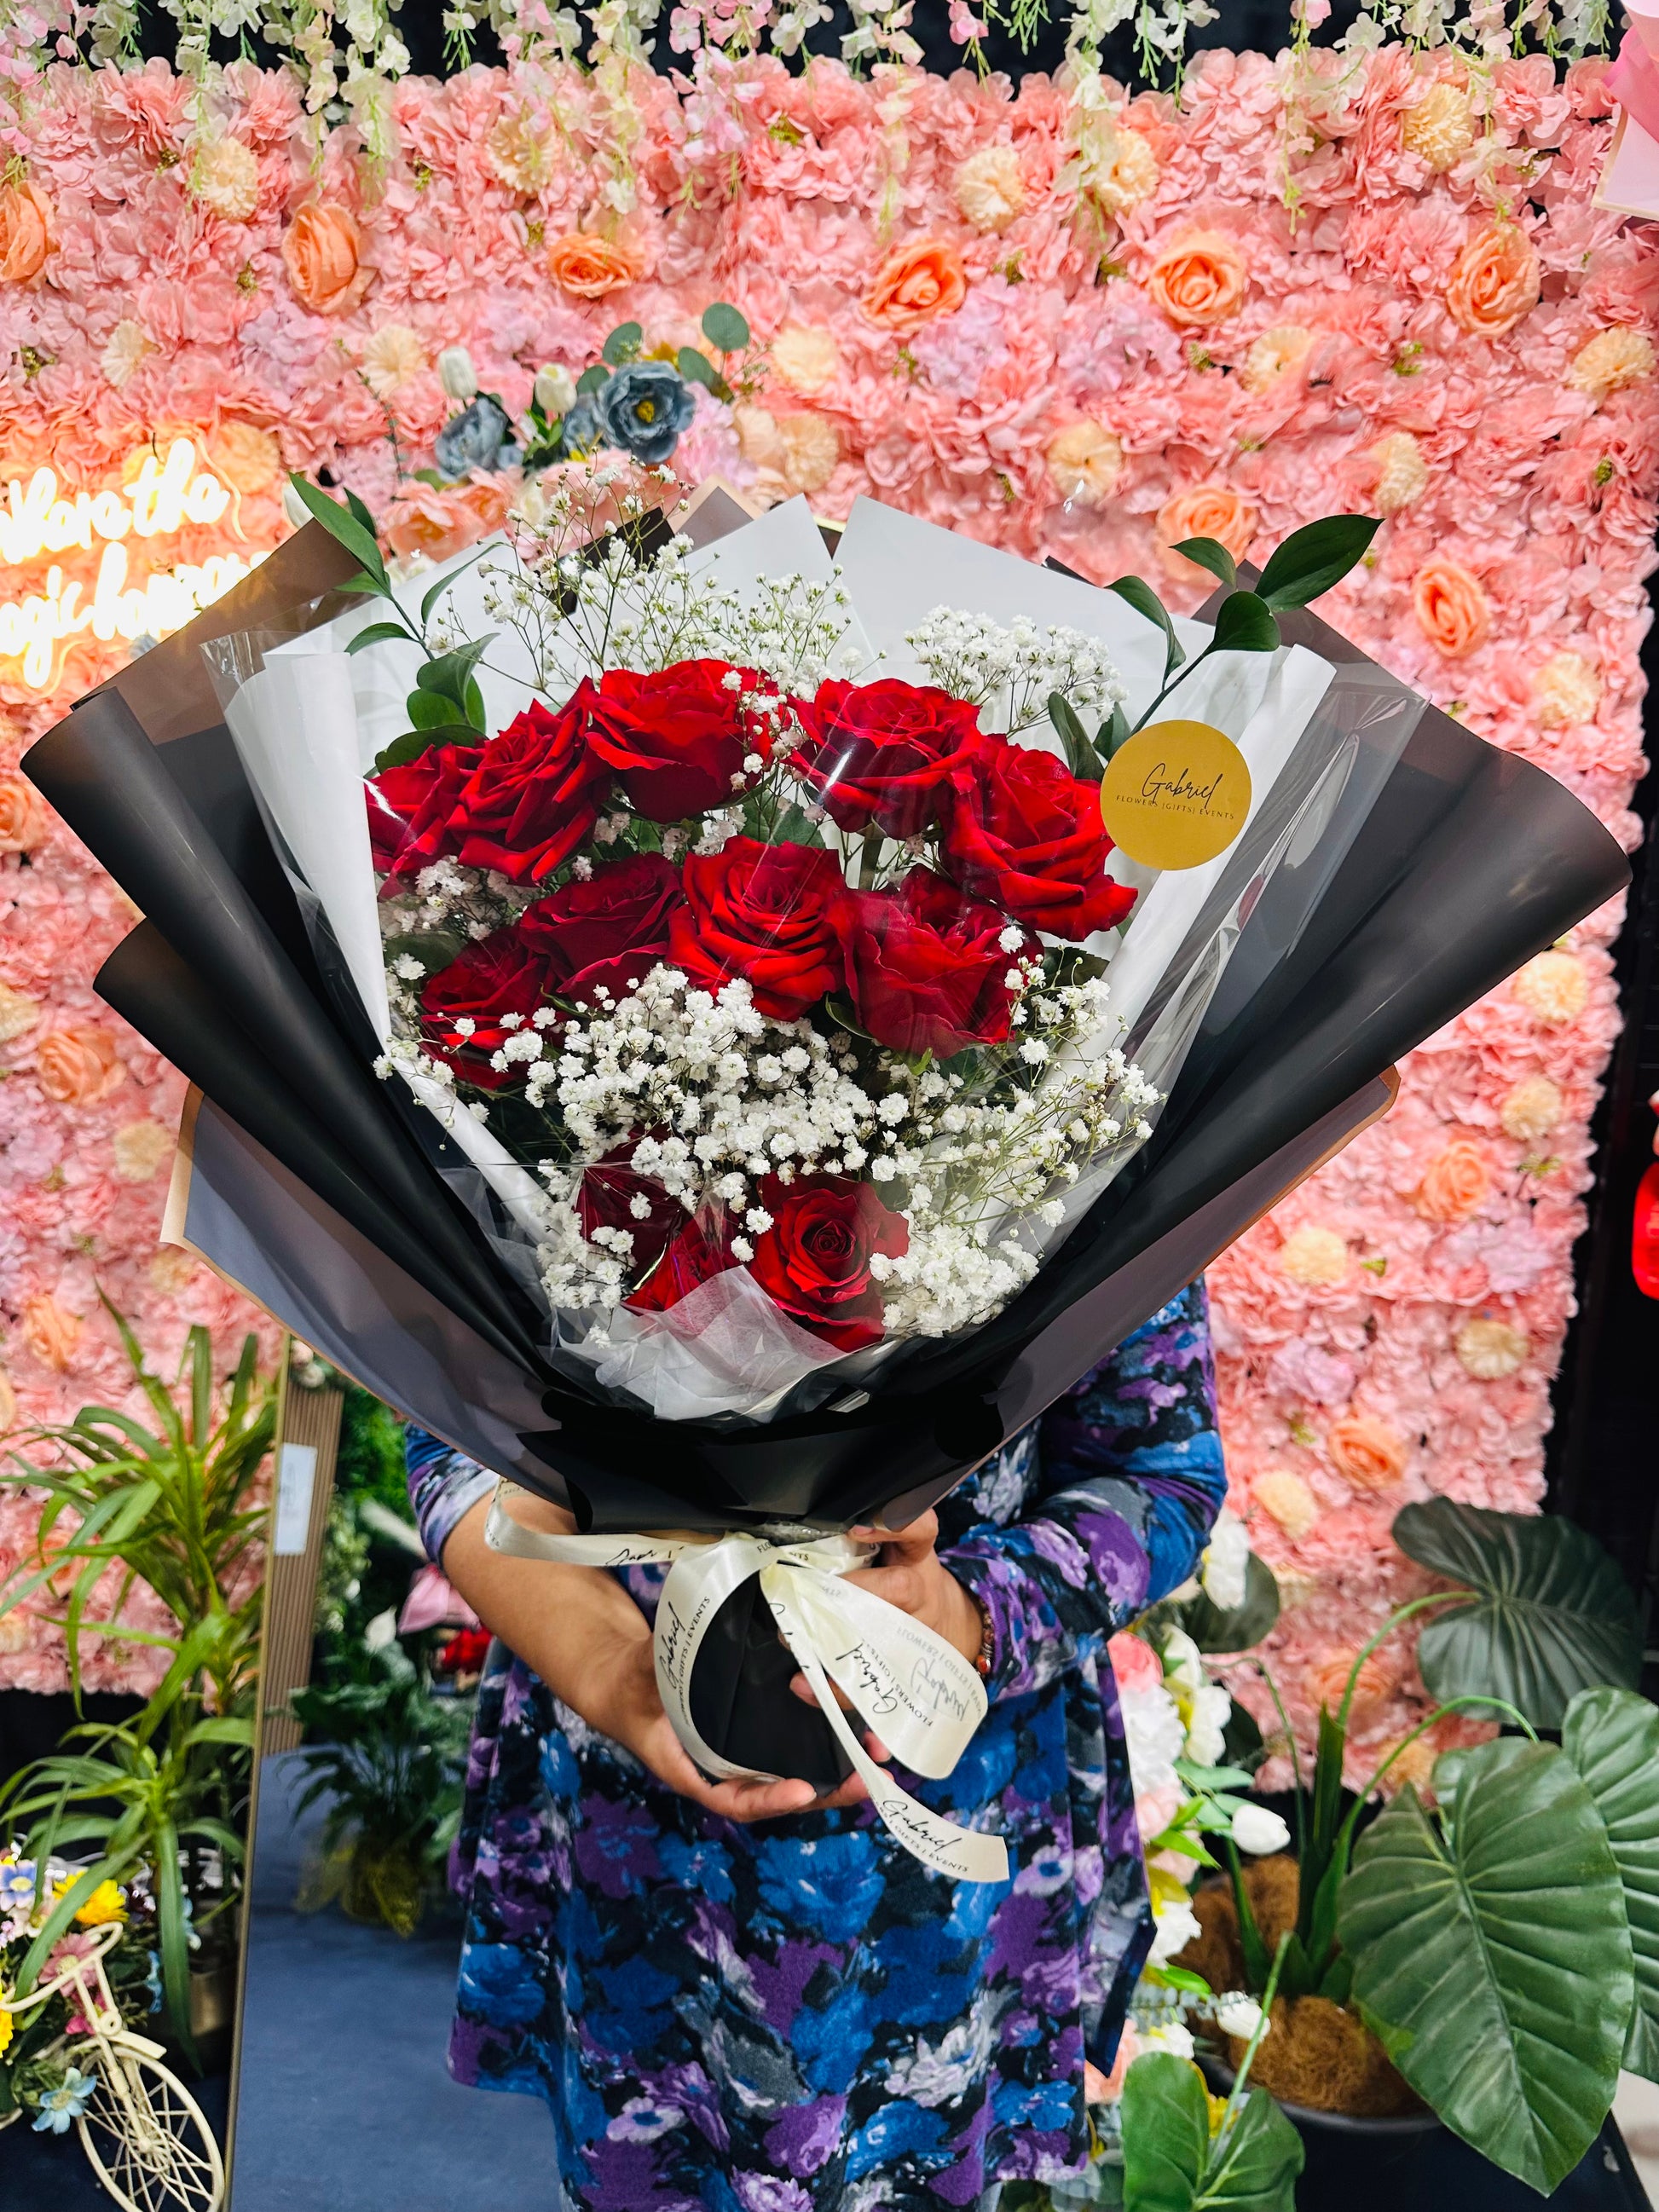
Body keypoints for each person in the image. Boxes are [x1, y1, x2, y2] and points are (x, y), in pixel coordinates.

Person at [408, 1280, 1226, 2212]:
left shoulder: (1084, 1175)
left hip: (942, 1802)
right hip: (629, 1786)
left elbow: (1159, 1473)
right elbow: (450, 1430)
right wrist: (604, 1666)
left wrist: (962, 1614)